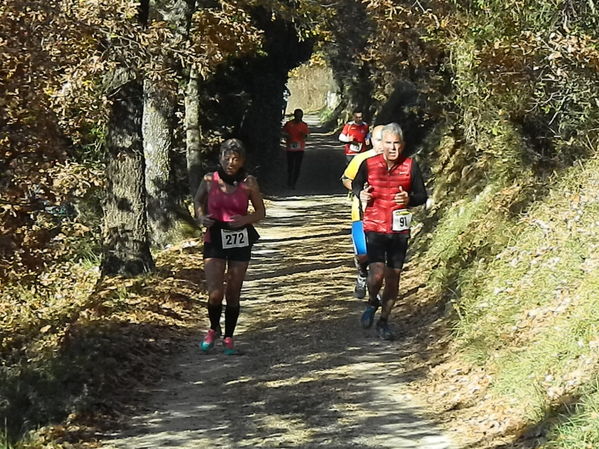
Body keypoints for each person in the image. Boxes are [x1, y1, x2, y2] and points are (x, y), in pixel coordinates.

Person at [351, 123, 427, 340]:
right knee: (377, 274)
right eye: (388, 143)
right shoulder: (369, 163)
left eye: (396, 143)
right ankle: (373, 300)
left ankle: (384, 321)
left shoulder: (411, 165)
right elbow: (356, 185)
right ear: (381, 145)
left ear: (402, 145)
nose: (392, 148)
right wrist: (361, 195)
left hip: (399, 230)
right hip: (374, 227)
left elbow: (422, 195)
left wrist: (409, 199)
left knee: (393, 278)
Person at [194, 138, 266, 354]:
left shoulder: (249, 182)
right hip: (215, 235)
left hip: (240, 238)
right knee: (215, 292)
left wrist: (245, 220)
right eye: (227, 157)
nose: (231, 162)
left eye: (236, 158)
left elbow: (261, 212)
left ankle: (229, 337)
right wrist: (200, 218)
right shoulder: (209, 179)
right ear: (220, 157)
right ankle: (213, 328)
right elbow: (198, 201)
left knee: (233, 291)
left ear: (242, 161)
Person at [341, 124, 385, 299]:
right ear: (370, 140)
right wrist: (359, 192)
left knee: (382, 256)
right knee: (363, 254)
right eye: (377, 139)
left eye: (385, 139)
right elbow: (345, 179)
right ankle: (361, 273)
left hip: (385, 215)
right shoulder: (361, 159)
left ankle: (377, 291)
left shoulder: (395, 160)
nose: (381, 143)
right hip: (360, 214)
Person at [281, 108, 310, 189]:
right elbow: (283, 132)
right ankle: (289, 181)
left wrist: (303, 135)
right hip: (290, 148)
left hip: (300, 149)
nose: (298, 118)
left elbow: (306, 135)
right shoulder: (289, 124)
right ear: (294, 116)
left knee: (297, 167)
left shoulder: (304, 125)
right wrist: (287, 136)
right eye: (297, 116)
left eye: (300, 116)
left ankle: (293, 183)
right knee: (290, 166)